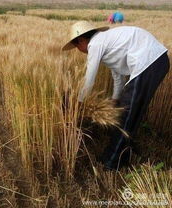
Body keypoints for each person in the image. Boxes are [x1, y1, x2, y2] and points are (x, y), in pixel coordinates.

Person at [62, 21, 170, 170]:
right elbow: (118, 75)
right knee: (130, 112)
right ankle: (125, 153)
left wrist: (78, 102)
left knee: (127, 114)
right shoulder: (106, 42)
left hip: (148, 62)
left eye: (76, 47)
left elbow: (89, 79)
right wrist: (115, 99)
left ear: (81, 40)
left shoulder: (95, 44)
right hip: (156, 61)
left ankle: (111, 161)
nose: (78, 50)